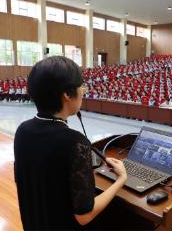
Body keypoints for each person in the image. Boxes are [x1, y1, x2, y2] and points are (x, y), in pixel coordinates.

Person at [14, 56, 127, 230]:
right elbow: (84, 215)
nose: (83, 90)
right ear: (67, 94)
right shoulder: (75, 142)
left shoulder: (22, 130)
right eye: (81, 86)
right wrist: (121, 179)